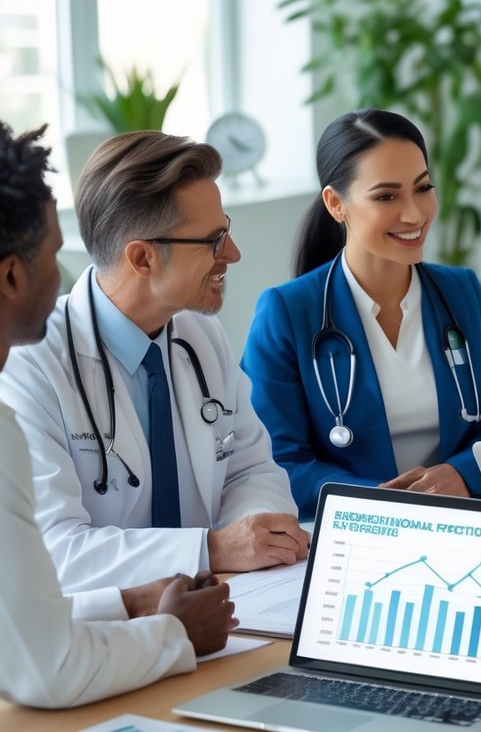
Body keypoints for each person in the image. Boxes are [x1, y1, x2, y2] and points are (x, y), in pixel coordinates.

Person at [0, 121, 239, 732]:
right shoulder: (14, 403)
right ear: (10, 276)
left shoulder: (199, 339)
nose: (65, 267)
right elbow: (45, 668)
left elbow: (19, 627)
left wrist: (130, 604)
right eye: (50, 251)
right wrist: (171, 632)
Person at [0, 130, 307, 609]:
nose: (233, 254)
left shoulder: (202, 336)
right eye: (214, 241)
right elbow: (56, 553)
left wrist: (256, 536)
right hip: (109, 635)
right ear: (142, 257)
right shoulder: (30, 364)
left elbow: (251, 469)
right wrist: (211, 550)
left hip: (227, 608)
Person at [241, 108, 481, 521]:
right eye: (386, 196)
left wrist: (461, 475)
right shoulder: (286, 312)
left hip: (461, 521)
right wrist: (377, 500)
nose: (414, 214)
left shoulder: (460, 293)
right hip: (354, 532)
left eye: (423, 187)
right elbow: (277, 462)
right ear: (335, 204)